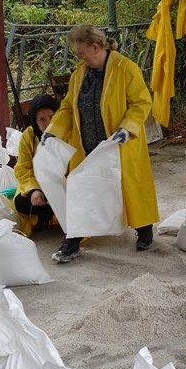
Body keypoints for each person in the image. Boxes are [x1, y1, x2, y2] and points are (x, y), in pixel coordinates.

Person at [42, 24, 159, 263]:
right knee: (80, 192)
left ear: (95, 47)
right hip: (86, 146)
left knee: (129, 189)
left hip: (119, 145)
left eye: (81, 52)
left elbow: (141, 102)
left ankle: (144, 228)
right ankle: (72, 242)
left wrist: (127, 128)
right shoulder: (79, 74)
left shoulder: (126, 68)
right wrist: (53, 131)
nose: (79, 57)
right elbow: (66, 107)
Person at [12, 93, 59, 236]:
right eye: (42, 119)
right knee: (21, 203)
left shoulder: (67, 133)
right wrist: (33, 191)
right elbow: (23, 168)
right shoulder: (29, 136)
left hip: (62, 186)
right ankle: (44, 214)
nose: (47, 123)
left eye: (51, 117)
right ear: (34, 120)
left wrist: (58, 190)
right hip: (39, 185)